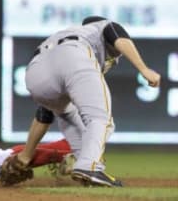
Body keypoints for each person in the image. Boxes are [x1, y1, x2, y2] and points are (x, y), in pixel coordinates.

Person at [12, 16, 161, 187]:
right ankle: (89, 167)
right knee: (101, 119)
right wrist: (144, 69)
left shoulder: (63, 34)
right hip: (74, 53)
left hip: (34, 73)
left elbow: (44, 114)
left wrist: (26, 154)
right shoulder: (100, 26)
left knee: (67, 113)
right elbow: (116, 33)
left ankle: (81, 163)